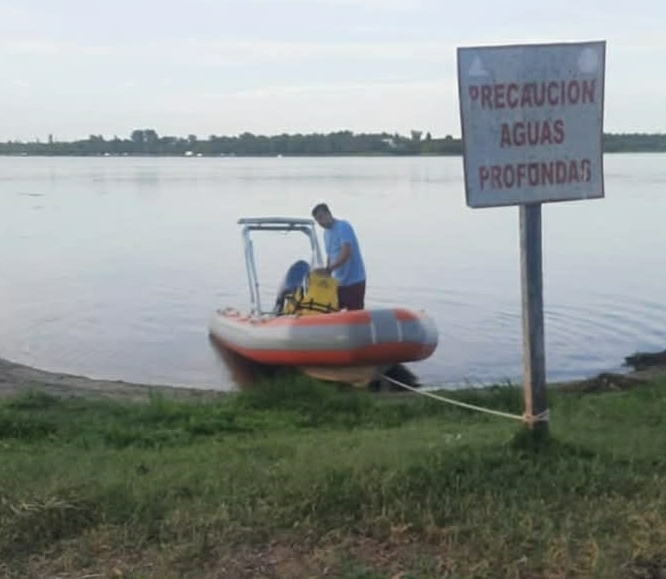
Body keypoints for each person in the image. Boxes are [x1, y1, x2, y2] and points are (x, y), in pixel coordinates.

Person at [311, 202, 366, 310]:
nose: (320, 222)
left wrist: (329, 268)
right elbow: (330, 255)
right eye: (317, 220)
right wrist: (327, 273)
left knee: (354, 313)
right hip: (339, 282)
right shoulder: (326, 234)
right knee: (330, 309)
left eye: (321, 217)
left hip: (354, 281)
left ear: (328, 214)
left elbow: (346, 253)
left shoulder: (343, 226)